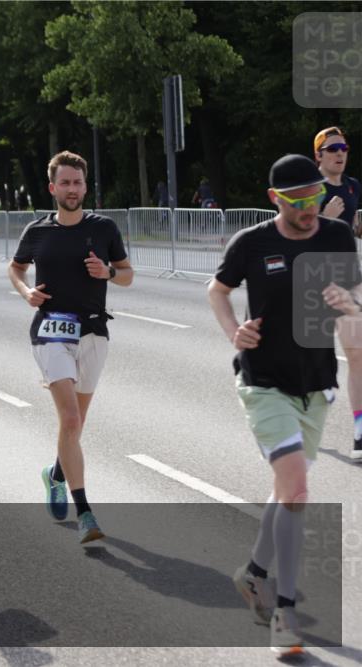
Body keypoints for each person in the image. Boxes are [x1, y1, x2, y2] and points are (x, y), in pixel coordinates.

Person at [208, 154, 361, 656]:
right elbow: (218, 289)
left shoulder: (338, 237)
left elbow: (357, 303)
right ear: (276, 200)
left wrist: (351, 306)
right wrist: (237, 333)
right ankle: (286, 611)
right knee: (297, 488)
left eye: (315, 196)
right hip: (264, 382)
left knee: (285, 489)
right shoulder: (252, 243)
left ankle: (253, 574)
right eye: (298, 201)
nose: (310, 208)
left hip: (315, 385)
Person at [8, 150, 133, 545]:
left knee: (74, 423)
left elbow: (128, 275)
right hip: (50, 331)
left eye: (78, 182)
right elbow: (15, 267)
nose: (72, 189)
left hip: (93, 332)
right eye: (65, 182)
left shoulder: (104, 228)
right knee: (72, 421)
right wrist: (26, 291)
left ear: (85, 186)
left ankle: (56, 475)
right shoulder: (38, 231)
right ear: (52, 187)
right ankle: (86, 514)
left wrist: (109, 272)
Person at [313, 128, 362, 461]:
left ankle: (359, 430)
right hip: (309, 278)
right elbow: (287, 232)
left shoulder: (354, 186)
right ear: (319, 155)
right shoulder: (306, 188)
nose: (340, 153)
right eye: (332, 148)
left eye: (343, 147)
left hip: (346, 279)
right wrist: (322, 218)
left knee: (357, 354)